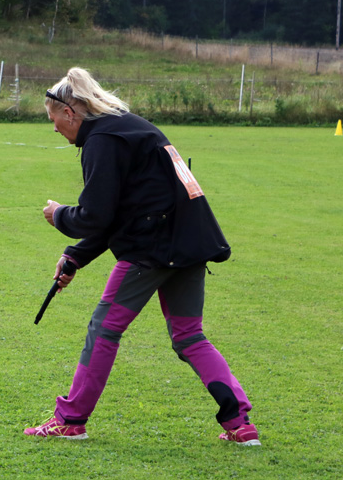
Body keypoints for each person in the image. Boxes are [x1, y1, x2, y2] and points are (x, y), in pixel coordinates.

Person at [24, 68, 259, 446]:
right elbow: (120, 211)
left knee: (103, 329)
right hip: (190, 241)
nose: (54, 129)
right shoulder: (127, 127)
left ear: (69, 113)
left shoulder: (101, 140)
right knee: (189, 336)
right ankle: (240, 423)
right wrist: (75, 257)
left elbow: (95, 215)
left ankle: (70, 420)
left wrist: (60, 215)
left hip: (152, 249)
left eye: (53, 120)